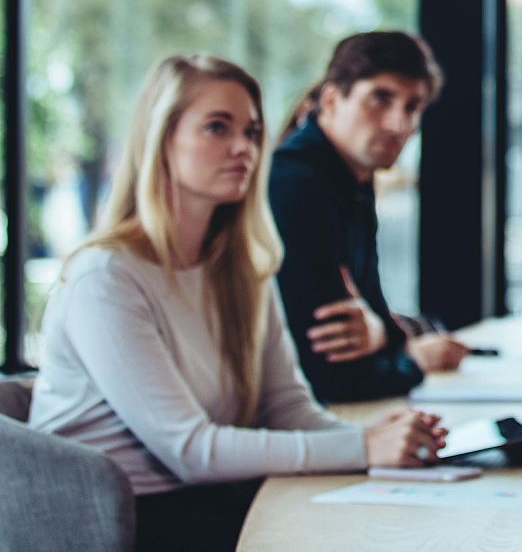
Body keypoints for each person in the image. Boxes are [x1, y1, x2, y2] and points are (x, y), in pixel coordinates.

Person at [28, 55, 444, 552]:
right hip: (124, 525)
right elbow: (191, 450)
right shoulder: (106, 276)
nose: (242, 147)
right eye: (216, 128)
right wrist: (361, 446)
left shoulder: (243, 268)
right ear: (161, 139)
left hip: (212, 500)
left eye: (251, 131)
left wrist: (384, 438)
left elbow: (288, 407)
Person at [272, 31, 469, 403]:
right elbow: (330, 372)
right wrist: (414, 358)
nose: (399, 124)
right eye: (381, 98)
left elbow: (373, 315)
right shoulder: (296, 185)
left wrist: (384, 332)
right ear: (331, 99)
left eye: (413, 107)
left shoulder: (352, 181)